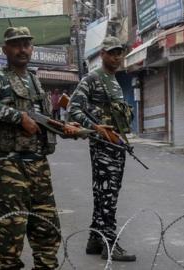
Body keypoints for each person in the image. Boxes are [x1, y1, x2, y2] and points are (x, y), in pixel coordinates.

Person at [0, 26, 79, 270]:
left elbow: (42, 120)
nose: (22, 49)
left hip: (39, 166)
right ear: (5, 49)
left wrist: (65, 128)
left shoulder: (34, 80)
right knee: (13, 230)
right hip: (11, 165)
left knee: (47, 227)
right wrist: (18, 117)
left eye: (26, 44)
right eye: (16, 44)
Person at [68, 36, 136, 262]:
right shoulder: (93, 78)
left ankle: (95, 240)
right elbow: (73, 110)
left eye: (120, 52)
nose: (117, 56)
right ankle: (109, 243)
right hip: (103, 146)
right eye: (112, 52)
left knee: (104, 194)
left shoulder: (114, 81)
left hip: (116, 144)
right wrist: (95, 127)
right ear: (102, 54)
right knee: (107, 195)